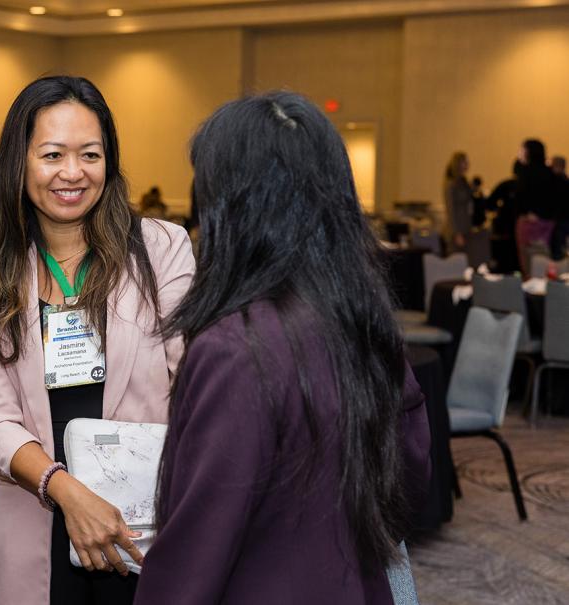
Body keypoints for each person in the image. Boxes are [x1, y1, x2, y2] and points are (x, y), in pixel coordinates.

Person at [134, 92, 431, 604]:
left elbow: (197, 553)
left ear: (229, 207)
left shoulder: (235, 349)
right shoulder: (363, 323)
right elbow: (408, 484)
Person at [0, 75, 194, 604]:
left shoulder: (161, 249)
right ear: (19, 163)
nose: (72, 172)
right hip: (36, 516)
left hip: (146, 526)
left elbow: (193, 380)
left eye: (90, 154)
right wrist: (68, 494)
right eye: (52, 155)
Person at [514, 139, 557, 276]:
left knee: (529, 264)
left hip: (530, 224)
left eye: (522, 150)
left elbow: (520, 197)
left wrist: (531, 213)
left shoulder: (525, 172)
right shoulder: (549, 172)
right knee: (542, 262)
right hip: (546, 223)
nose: (519, 153)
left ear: (528, 152)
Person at [443, 151, 472, 251]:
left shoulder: (463, 182)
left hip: (466, 227)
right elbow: (450, 209)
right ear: (458, 164)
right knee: (456, 257)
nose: (468, 164)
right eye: (465, 162)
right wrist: (456, 233)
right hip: (456, 230)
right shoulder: (451, 184)